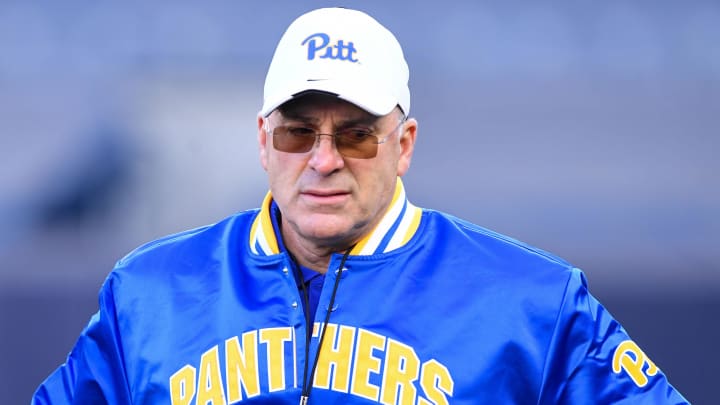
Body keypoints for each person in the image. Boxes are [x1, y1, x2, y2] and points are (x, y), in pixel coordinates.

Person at [33, 7, 689, 405]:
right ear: (263, 141)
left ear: (403, 145)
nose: (323, 159)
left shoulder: (533, 303)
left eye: (355, 133)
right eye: (298, 132)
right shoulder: (150, 293)